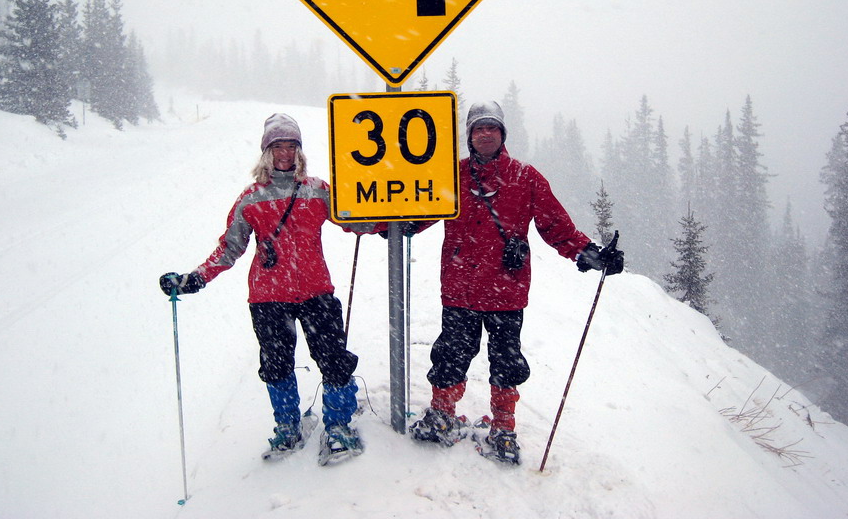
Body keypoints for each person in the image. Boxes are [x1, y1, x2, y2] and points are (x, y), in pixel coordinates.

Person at [404, 100, 624, 464]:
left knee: (506, 361)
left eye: (492, 127)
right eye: (478, 128)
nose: (485, 134)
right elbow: (419, 212)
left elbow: (556, 225)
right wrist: (387, 224)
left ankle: (503, 427)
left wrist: (589, 253)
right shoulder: (451, 176)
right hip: (459, 288)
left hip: (505, 290)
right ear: (470, 136)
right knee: (450, 354)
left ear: (502, 134)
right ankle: (442, 414)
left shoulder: (526, 177)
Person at [159, 112, 372, 465]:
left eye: (291, 146)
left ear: (299, 151)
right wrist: (194, 279)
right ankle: (288, 426)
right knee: (276, 366)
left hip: (316, 292)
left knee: (334, 360)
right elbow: (230, 248)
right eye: (277, 147)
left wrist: (391, 223)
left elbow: (355, 218)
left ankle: (338, 425)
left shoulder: (317, 189)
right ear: (266, 152)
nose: (285, 153)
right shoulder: (251, 198)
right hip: (269, 297)